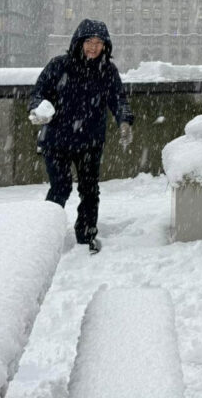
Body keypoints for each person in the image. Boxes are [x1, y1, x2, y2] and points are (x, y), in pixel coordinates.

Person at [28, 19, 133, 254]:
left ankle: (86, 237)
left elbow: (118, 99)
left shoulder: (107, 71)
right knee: (60, 188)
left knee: (89, 190)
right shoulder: (59, 66)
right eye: (88, 41)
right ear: (78, 42)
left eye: (98, 43)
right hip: (57, 140)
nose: (93, 47)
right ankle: (43, 240)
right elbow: (38, 93)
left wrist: (125, 121)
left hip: (90, 142)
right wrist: (38, 109)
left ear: (105, 46)